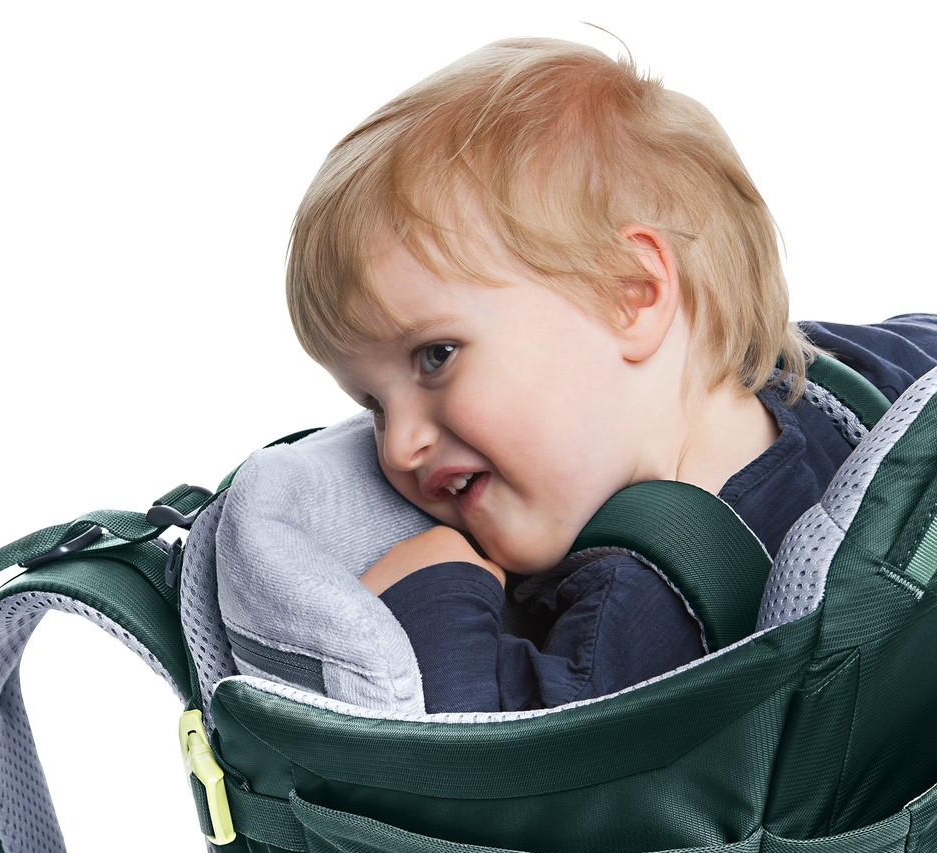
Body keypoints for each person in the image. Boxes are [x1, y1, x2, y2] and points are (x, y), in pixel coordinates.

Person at [285, 36, 937, 712]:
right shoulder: (851, 388)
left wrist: (430, 601)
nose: (397, 446)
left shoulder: (644, 600)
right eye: (373, 404)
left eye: (436, 355)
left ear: (629, 292)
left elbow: (491, 762)